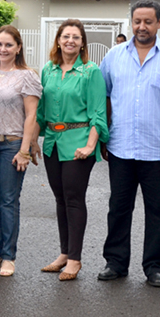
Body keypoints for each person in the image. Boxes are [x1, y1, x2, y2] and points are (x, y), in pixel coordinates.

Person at [97, 0, 160, 287]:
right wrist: (104, 136)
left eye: (148, 21)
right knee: (118, 208)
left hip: (158, 150)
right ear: (131, 22)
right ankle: (115, 262)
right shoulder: (113, 57)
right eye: (137, 21)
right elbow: (104, 97)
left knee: (159, 210)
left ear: (159, 23)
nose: (142, 27)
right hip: (121, 146)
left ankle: (155, 267)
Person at [38, 19, 108, 281]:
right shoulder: (48, 70)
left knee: (74, 198)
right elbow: (40, 111)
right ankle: (64, 253)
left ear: (82, 43)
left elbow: (98, 113)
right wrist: (32, 142)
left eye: (76, 37)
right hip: (52, 143)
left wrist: (91, 145)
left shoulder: (91, 72)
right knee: (60, 199)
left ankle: (75, 260)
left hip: (78, 141)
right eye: (66, 36)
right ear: (58, 40)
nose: (70, 41)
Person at [0, 25, 42, 277]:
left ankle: (8, 257)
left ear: (18, 48)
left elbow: (31, 115)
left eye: (8, 45)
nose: (2, 49)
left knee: (8, 201)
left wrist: (24, 150)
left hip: (11, 145)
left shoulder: (27, 76)